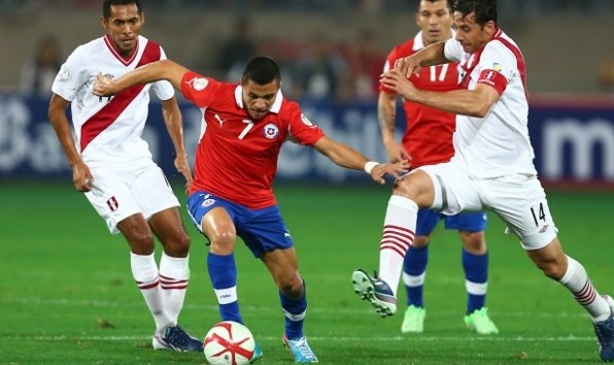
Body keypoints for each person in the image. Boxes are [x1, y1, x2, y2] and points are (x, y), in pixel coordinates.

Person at [352, 0, 614, 362]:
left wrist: (414, 92)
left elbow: (479, 103)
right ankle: (387, 286)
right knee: (407, 188)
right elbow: (439, 49)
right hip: (465, 170)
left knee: (552, 264)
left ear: (489, 29)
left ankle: (602, 311)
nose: (456, 35)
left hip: (512, 180)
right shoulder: (465, 43)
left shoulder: (499, 53)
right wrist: (417, 60)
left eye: (464, 28)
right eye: (456, 25)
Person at [92, 55, 409, 363]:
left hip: (259, 204)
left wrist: (370, 165)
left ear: (278, 88)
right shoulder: (214, 93)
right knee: (223, 235)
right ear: (241, 85)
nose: (260, 103)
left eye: (267, 97)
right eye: (253, 96)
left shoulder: (287, 113)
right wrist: (115, 86)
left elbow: (328, 147)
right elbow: (163, 67)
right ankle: (234, 325)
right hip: (209, 193)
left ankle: (295, 336)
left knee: (291, 282)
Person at [48, 0, 202, 352]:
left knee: (179, 241)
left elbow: (169, 104)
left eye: (133, 20)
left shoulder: (154, 53)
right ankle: (166, 329)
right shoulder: (84, 57)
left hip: (138, 159)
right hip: (99, 164)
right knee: (142, 238)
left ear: (142, 18)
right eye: (119, 23)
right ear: (105, 23)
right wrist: (76, 162)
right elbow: (56, 108)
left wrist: (180, 153)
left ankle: (167, 334)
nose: (128, 29)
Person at [377, 0, 497, 335]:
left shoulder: (470, 51)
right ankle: (415, 307)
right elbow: (386, 97)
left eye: (440, 14)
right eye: (427, 14)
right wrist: (388, 138)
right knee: (416, 240)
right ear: (417, 18)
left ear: (452, 17)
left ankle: (477, 311)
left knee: (474, 237)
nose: (433, 21)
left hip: (464, 163)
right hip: (419, 164)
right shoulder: (401, 54)